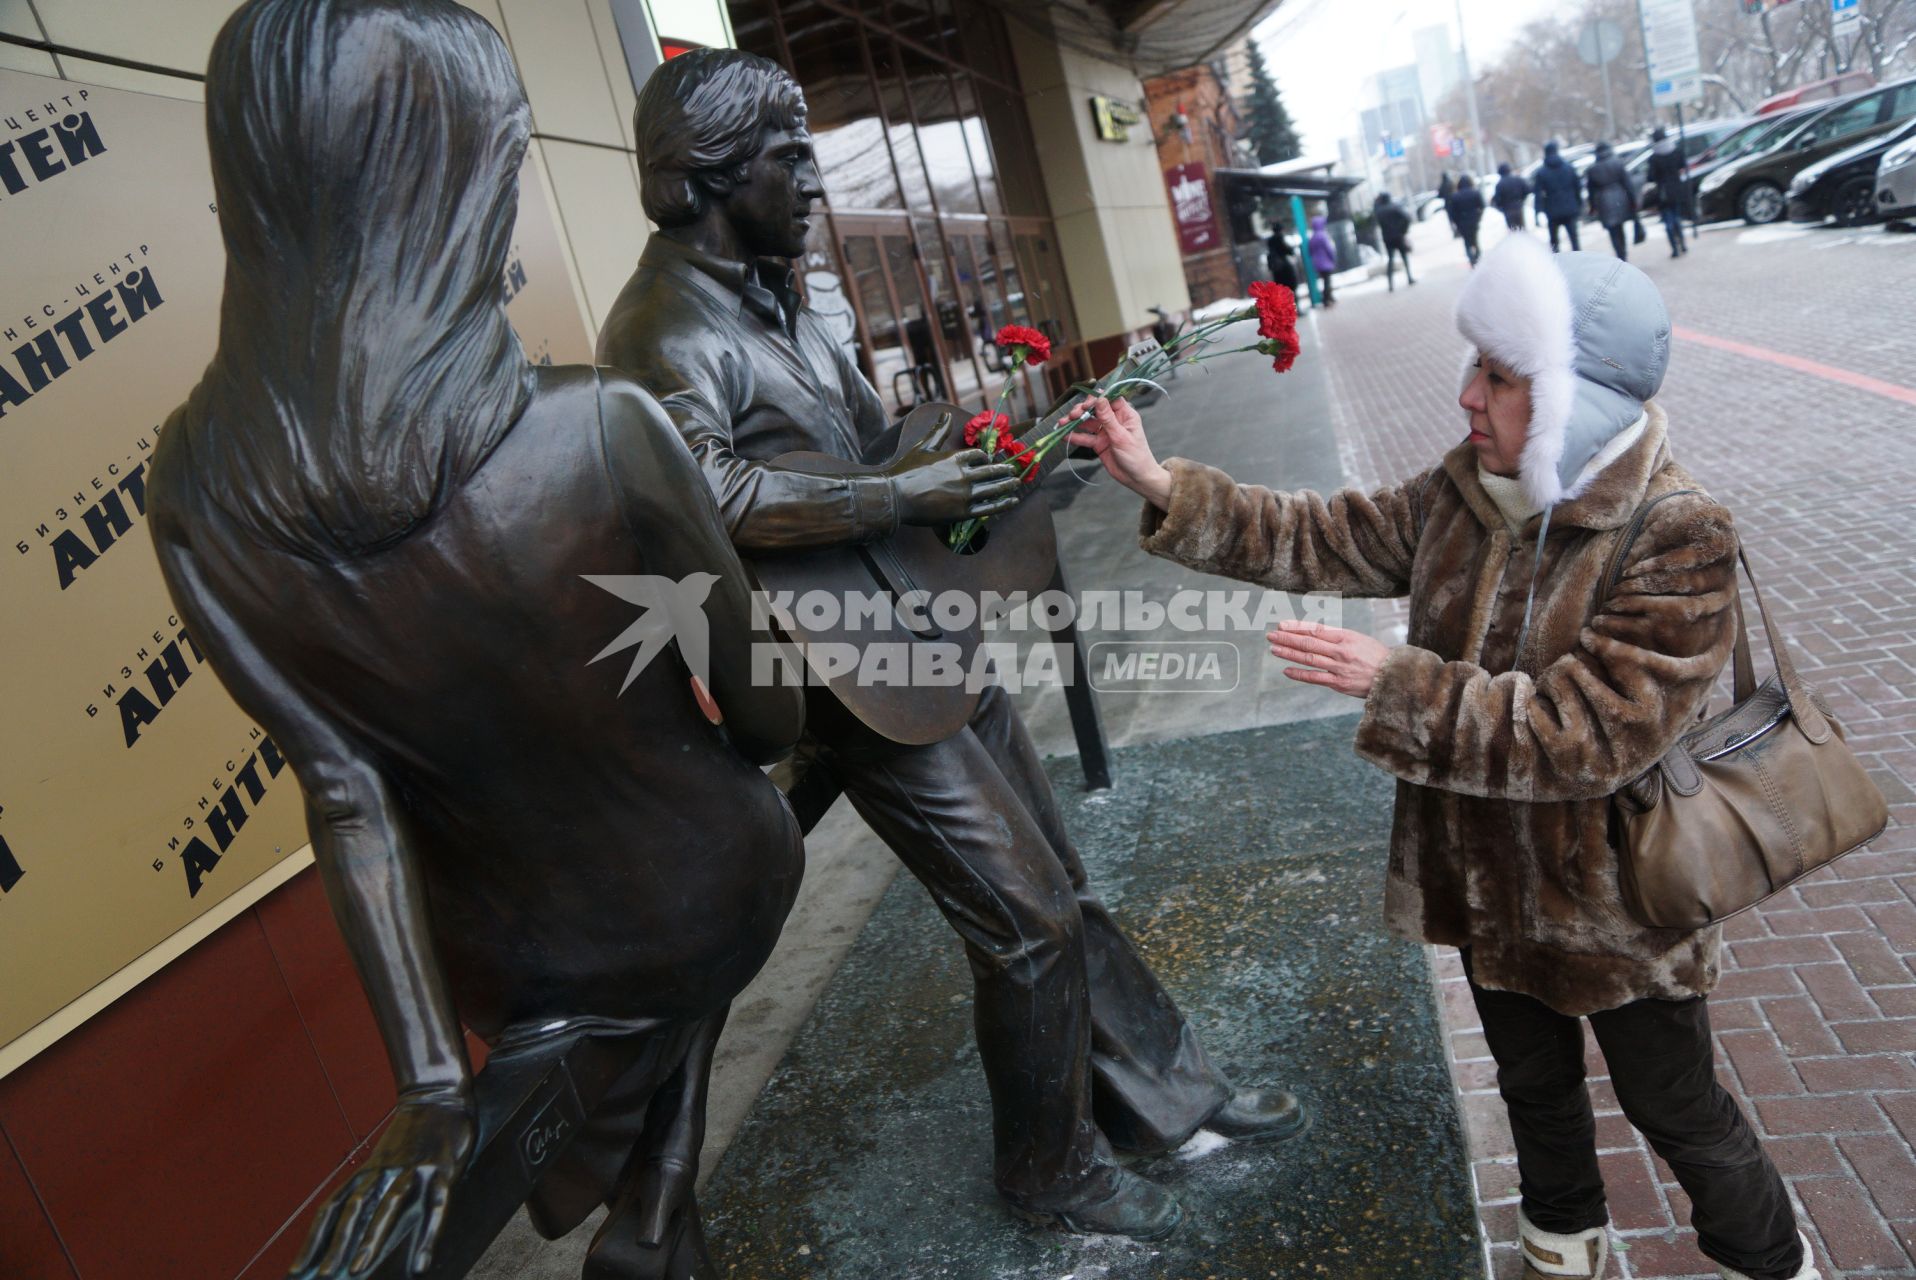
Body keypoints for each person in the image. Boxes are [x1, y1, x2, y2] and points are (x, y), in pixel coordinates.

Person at [145, 3, 811, 1277]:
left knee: (647, 984)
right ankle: (658, 1207)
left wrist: (431, 1085)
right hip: (703, 887)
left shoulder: (190, 489)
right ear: (459, 186)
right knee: (720, 882)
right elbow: (769, 714)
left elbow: (345, 792)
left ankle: (657, 1202)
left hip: (496, 968)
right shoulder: (601, 429)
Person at [596, 48, 1305, 1243]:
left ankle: (1168, 1098)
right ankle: (1050, 1173)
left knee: (1060, 883)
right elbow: (702, 497)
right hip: (842, 683)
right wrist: (895, 497)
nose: (815, 181)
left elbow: (880, 447)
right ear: (712, 175)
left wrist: (997, 462)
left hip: (915, 631)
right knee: (1021, 919)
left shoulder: (783, 300)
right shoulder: (662, 326)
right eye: (790, 158)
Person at [1066, 233, 1821, 1280]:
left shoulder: (1675, 532)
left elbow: (1588, 730)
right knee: (1531, 1088)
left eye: (1500, 377)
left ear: (1572, 400)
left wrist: (1393, 681)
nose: (1467, 395)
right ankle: (1563, 1246)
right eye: (1473, 365)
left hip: (1616, 900)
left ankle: (1771, 1258)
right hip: (1482, 882)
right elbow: (1327, 534)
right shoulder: (1467, 488)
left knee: (1675, 1107)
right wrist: (1161, 481)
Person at [1586, 141, 1639, 261]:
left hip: (1603, 201)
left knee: (1613, 231)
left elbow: (1591, 191)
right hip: (1620, 198)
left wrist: (1593, 207)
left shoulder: (1593, 169)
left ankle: (1619, 253)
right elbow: (1627, 183)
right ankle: (1623, 253)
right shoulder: (1618, 163)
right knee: (1620, 228)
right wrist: (1633, 200)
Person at [1647, 126, 1691, 257]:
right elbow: (1683, 166)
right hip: (1677, 189)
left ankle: (1674, 247)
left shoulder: (1654, 157)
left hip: (1663, 192)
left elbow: (1650, 177)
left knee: (1668, 220)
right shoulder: (1676, 151)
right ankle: (1682, 242)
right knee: (1677, 217)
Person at [1534, 141, 1584, 252]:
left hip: (1552, 211)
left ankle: (1557, 265)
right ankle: (1579, 260)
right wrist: (1579, 204)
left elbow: (1538, 194)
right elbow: (1578, 187)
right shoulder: (1569, 168)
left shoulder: (1541, 172)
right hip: (1569, 208)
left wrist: (1537, 213)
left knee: (1554, 242)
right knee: (1574, 239)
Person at [1373, 192, 1414, 291]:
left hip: (1387, 238)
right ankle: (1409, 277)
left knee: (1390, 260)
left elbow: (1376, 218)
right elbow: (1407, 218)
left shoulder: (1379, 211)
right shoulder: (1394, 207)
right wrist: (1403, 230)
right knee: (1404, 257)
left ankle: (1390, 284)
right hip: (1398, 236)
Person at [1445, 174, 1487, 267]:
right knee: (1475, 240)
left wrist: (1457, 223)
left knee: (1467, 242)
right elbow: (1482, 206)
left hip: (1462, 223)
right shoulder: (1475, 192)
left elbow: (1452, 213)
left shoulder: (1455, 196)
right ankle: (1477, 256)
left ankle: (1472, 259)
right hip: (1474, 221)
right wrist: (1478, 216)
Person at [1308, 213, 1338, 307]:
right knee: (1327, 281)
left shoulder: (1312, 237)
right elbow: (1329, 248)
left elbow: (1310, 250)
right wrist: (1333, 258)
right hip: (1326, 262)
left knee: (1324, 280)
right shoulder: (1322, 235)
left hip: (1317, 263)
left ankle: (1329, 297)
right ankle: (1327, 299)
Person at [1494, 162, 1530, 230]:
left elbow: (1498, 199)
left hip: (1507, 209)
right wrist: (1522, 199)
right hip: (1518, 206)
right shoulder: (1518, 179)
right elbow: (1527, 190)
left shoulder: (1499, 184)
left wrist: (1501, 207)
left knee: (1512, 229)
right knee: (1521, 228)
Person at [1266, 224, 1300, 292]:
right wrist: (1291, 250)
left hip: (1276, 268)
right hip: (1284, 266)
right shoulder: (1279, 238)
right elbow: (1286, 249)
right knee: (1290, 286)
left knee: (1281, 288)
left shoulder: (1270, 241)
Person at [1437, 170, 1459, 237]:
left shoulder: (1442, 185)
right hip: (1455, 202)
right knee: (1457, 217)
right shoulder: (1451, 183)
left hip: (1448, 204)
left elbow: (1439, 195)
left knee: (1451, 219)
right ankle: (1458, 230)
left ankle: (1455, 232)